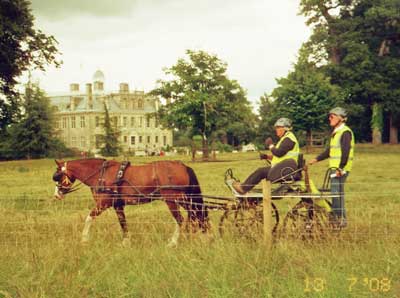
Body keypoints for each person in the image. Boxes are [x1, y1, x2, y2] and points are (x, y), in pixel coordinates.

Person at [309, 107, 354, 228]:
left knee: (336, 194)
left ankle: (339, 219)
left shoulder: (345, 132)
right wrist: (316, 159)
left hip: (340, 169)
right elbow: (330, 151)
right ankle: (341, 219)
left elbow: (345, 151)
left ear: (340, 118)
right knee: (338, 193)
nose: (329, 118)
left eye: (332, 116)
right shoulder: (336, 132)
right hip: (335, 168)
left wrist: (341, 168)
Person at [233, 117, 300, 194]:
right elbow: (280, 156)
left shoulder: (289, 139)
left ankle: (243, 188)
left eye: (278, 127)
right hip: (282, 168)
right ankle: (244, 187)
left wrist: (270, 145)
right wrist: (266, 157)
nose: (276, 130)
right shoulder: (286, 138)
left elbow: (279, 153)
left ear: (284, 128)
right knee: (261, 171)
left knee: (260, 171)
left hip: (285, 170)